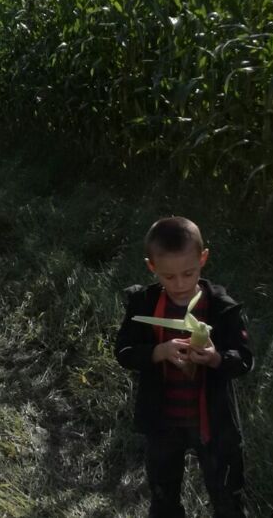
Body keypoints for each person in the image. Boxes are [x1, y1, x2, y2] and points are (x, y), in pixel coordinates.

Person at [114, 216, 253, 518]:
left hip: (215, 427)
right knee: (164, 499)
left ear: (203, 259)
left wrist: (216, 358)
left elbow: (244, 360)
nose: (179, 284)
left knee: (228, 499)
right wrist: (158, 352)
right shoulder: (144, 304)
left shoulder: (222, 306)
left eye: (188, 273)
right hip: (163, 424)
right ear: (152, 267)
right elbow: (123, 352)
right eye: (168, 276)